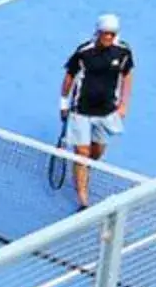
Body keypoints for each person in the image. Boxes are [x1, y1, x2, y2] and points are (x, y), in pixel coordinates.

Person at [58, 13, 135, 209]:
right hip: (80, 111)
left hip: (106, 112)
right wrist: (63, 104)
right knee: (82, 153)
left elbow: (127, 76)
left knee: (96, 152)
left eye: (112, 34)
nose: (108, 37)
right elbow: (69, 78)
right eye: (105, 34)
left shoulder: (123, 52)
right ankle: (83, 199)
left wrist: (124, 104)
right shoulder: (84, 52)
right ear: (98, 32)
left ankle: (82, 168)